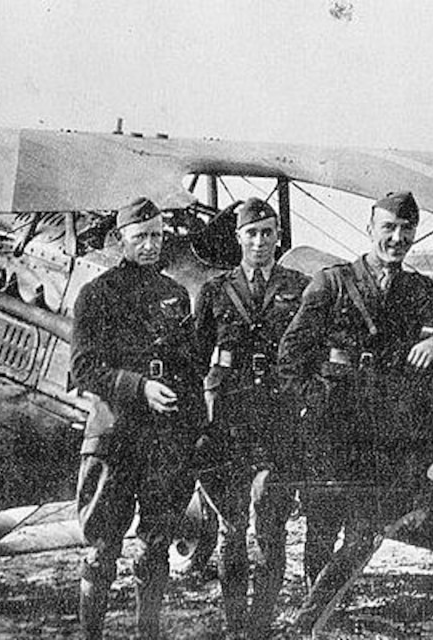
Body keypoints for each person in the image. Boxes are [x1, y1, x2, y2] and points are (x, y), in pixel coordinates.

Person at [277, 191, 433, 632]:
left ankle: (307, 621)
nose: (397, 239)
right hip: (332, 424)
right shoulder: (332, 282)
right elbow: (291, 354)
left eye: (406, 230)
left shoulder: (418, 290)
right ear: (370, 228)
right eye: (388, 228)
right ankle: (316, 613)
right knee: (321, 526)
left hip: (385, 430)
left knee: (366, 531)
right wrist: (313, 404)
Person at [71, 197, 203, 640]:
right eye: (141, 237)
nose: (150, 246)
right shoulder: (96, 294)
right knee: (102, 548)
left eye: (157, 237)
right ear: (121, 239)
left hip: (164, 441)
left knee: (154, 547)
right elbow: (84, 369)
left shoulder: (174, 295)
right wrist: (139, 388)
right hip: (116, 435)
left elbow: (187, 368)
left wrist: (193, 431)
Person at [191, 198, 309, 638]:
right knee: (232, 526)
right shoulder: (215, 290)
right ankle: (235, 625)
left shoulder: (299, 287)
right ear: (238, 237)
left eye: (267, 233)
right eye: (251, 233)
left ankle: (261, 625)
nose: (259, 242)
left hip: (279, 420)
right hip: (230, 419)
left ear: (278, 237)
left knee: (273, 528)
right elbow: (194, 357)